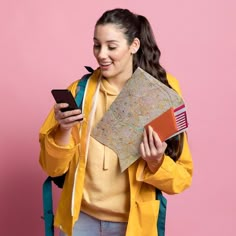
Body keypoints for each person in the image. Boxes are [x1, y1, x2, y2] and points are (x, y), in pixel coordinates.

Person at [39, 8, 193, 236]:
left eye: (111, 47)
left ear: (134, 46)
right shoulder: (78, 92)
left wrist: (156, 162)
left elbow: (181, 179)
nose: (101, 54)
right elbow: (51, 168)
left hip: (133, 226)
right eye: (96, 45)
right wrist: (63, 131)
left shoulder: (159, 95)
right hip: (79, 221)